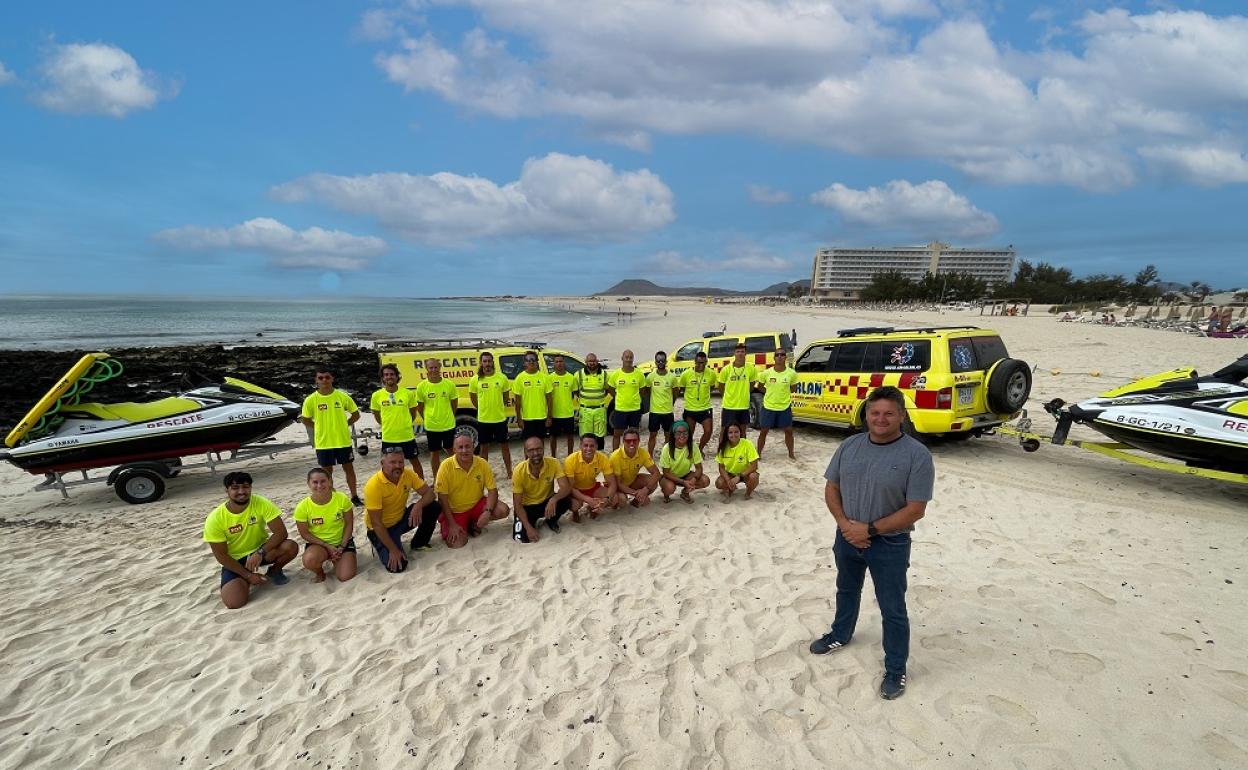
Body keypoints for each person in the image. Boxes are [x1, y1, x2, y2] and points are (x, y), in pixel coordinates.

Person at [809, 386, 934, 702]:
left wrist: (870, 529)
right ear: (866, 415)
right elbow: (831, 488)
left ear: (901, 416)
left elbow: (915, 509)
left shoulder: (916, 455)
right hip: (847, 535)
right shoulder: (849, 446)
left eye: (888, 413)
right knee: (846, 589)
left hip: (889, 543)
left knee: (892, 608)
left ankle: (895, 669)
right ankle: (840, 634)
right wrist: (845, 526)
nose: (880, 419)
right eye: (874, 412)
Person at [203, 472, 298, 609]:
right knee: (234, 602)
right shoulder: (215, 518)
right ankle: (245, 578)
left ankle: (274, 571)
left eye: (245, 487)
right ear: (227, 490)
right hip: (235, 559)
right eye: (235, 488)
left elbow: (281, 533)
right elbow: (221, 556)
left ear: (251, 488)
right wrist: (248, 576)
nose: (241, 491)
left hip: (261, 551)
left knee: (290, 546)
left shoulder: (261, 503)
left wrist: (260, 552)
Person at [363, 447, 442, 573]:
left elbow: (430, 494)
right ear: (382, 464)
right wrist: (393, 550)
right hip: (381, 529)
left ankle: (419, 543)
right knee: (399, 566)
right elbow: (376, 524)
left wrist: (418, 505)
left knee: (433, 506)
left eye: (400, 462)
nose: (398, 466)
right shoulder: (373, 485)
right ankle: (380, 544)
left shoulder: (408, 474)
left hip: (400, 519)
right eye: (393, 462)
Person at [299, 367, 363, 506]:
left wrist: (344, 424)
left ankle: (354, 496)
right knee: (326, 474)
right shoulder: (311, 400)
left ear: (332, 379)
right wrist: (319, 427)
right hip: (324, 442)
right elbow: (305, 419)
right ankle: (332, 497)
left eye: (327, 377)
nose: (324, 380)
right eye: (320, 378)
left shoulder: (342, 396)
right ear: (316, 380)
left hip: (343, 441)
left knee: (349, 469)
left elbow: (356, 414)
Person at [435, 432, 510, 548]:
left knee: (503, 510)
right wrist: (452, 525)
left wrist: (487, 512)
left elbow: (493, 491)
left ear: (473, 447)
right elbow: (442, 498)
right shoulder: (445, 466)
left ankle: (474, 524)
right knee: (457, 543)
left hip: (476, 505)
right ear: (454, 449)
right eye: (460, 447)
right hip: (455, 512)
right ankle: (466, 525)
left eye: (467, 446)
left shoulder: (482, 463)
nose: (464, 450)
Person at [293, 467, 357, 582]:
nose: (319, 485)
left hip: (342, 542)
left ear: (330, 481)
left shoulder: (341, 498)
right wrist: (327, 546)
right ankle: (320, 573)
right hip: (319, 545)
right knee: (310, 559)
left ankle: (338, 559)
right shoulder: (302, 507)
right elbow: (305, 534)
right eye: (315, 482)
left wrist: (342, 546)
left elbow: (349, 524)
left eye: (323, 481)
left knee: (345, 576)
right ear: (309, 484)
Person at [511, 436, 573, 543]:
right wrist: (528, 528)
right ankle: (531, 523)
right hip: (527, 507)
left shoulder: (553, 463)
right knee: (520, 539)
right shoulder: (518, 471)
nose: (535, 453)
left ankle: (550, 521)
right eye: (531, 450)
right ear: (526, 452)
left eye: (538, 449)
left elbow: (566, 487)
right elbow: (517, 505)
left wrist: (554, 499)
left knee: (566, 499)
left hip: (547, 503)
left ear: (543, 448)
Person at [369, 363, 424, 480]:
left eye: (392, 374)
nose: (389, 377)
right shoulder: (376, 395)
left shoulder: (407, 393)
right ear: (383, 378)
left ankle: (422, 486)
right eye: (386, 375)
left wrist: (405, 423)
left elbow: (413, 413)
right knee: (387, 466)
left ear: (397, 376)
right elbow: (377, 415)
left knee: (416, 463)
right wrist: (387, 425)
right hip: (389, 437)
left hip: (407, 436)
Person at [469, 351, 513, 476]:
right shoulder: (475, 379)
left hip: (500, 419)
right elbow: (473, 398)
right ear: (481, 363)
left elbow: (505, 396)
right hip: (484, 420)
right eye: (484, 361)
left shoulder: (502, 378)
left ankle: (509, 471)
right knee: (484, 448)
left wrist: (498, 406)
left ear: (493, 362)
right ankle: (484, 472)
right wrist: (482, 408)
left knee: (505, 447)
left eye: (489, 361)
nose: (487, 364)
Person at [564, 433, 619, 520]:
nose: (588, 449)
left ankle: (592, 508)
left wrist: (606, 499)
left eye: (592, 446)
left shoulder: (603, 458)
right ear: (580, 446)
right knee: (575, 505)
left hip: (593, 487)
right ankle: (575, 512)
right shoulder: (570, 460)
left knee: (615, 498)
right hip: (576, 490)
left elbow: (612, 483)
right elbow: (570, 487)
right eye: (585, 445)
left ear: (596, 446)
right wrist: (587, 499)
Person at [416, 358, 459, 469]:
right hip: (432, 426)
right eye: (431, 368)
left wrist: (449, 415)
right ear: (427, 369)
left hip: (448, 425)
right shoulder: (421, 386)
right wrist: (428, 418)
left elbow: (454, 404)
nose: (433, 370)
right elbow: (420, 407)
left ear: (440, 368)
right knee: (434, 453)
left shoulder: (449, 384)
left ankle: (455, 474)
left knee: (451, 450)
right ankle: (436, 479)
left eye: (436, 367)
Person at [756, 348, 799, 459]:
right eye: (777, 355)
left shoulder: (792, 373)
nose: (780, 357)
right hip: (769, 407)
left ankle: (791, 454)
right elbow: (760, 387)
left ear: (785, 357)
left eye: (782, 354)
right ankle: (758, 454)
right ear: (774, 357)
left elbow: (793, 389)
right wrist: (770, 392)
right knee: (763, 431)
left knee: (788, 431)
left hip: (784, 407)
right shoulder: (766, 373)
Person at [657, 421, 709, 503]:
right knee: (669, 488)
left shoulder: (692, 446)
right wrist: (683, 482)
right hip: (670, 477)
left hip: (686, 474)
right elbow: (666, 472)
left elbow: (699, 468)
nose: (682, 435)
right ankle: (666, 495)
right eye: (679, 433)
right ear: (674, 435)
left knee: (705, 480)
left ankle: (685, 493)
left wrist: (694, 480)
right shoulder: (667, 448)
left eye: (685, 433)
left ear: (689, 434)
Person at [610, 427, 660, 508]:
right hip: (617, 486)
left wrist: (645, 490)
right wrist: (637, 493)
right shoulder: (615, 456)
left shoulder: (642, 453)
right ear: (623, 442)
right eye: (628, 441)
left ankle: (636, 501)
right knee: (622, 501)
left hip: (632, 482)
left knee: (653, 482)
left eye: (634, 440)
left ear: (639, 441)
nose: (632, 443)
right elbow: (618, 484)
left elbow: (656, 473)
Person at [608, 349, 647, 450]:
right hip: (620, 409)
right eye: (627, 357)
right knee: (617, 434)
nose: (629, 360)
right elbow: (610, 388)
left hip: (635, 409)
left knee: (634, 435)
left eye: (631, 357)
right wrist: (617, 396)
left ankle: (633, 452)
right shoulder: (616, 374)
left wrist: (634, 398)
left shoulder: (639, 374)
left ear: (633, 359)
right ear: (622, 358)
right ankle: (615, 454)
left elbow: (642, 391)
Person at [677, 351, 715, 453]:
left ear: (706, 362)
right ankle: (689, 451)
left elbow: (711, 387)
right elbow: (682, 388)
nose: (700, 365)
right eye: (698, 362)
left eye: (703, 363)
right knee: (689, 433)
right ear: (694, 362)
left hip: (705, 408)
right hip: (690, 409)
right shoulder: (686, 374)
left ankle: (700, 449)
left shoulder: (711, 374)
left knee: (708, 431)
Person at [717, 343, 757, 439]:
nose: (740, 354)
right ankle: (721, 452)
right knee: (725, 430)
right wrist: (728, 396)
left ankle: (741, 452)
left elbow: (752, 384)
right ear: (734, 353)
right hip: (729, 406)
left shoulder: (751, 368)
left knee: (742, 431)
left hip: (743, 406)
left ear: (745, 353)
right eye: (738, 351)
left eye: (742, 351)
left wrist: (745, 394)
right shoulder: (726, 369)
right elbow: (721, 386)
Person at [512, 351, 552, 442]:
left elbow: (549, 400)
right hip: (527, 418)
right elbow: (517, 402)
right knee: (528, 443)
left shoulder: (544, 378)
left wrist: (549, 417)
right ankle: (527, 458)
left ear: (537, 362)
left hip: (541, 417)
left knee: (540, 442)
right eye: (528, 360)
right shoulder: (519, 378)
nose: (531, 362)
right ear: (524, 363)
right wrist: (519, 419)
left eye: (533, 360)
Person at [715, 423, 759, 499]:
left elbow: (754, 465)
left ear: (740, 433)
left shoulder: (747, 443)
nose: (733, 435)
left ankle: (748, 492)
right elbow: (721, 467)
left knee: (754, 477)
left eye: (736, 432)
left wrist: (739, 476)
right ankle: (730, 488)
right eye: (730, 432)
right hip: (730, 474)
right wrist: (728, 480)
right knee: (719, 483)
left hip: (746, 473)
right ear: (727, 434)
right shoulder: (723, 446)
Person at [646, 351, 677, 457]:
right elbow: (647, 391)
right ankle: (649, 456)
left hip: (668, 411)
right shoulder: (650, 377)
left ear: (666, 361)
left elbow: (675, 393)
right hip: (654, 412)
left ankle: (667, 455)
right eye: (658, 360)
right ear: (655, 362)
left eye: (662, 360)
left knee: (668, 435)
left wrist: (670, 403)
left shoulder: (672, 377)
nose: (660, 362)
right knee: (652, 435)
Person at [576, 353, 610, 450]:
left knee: (600, 436)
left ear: (597, 361)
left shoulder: (604, 374)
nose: (592, 363)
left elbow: (607, 389)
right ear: (586, 362)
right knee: (585, 437)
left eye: (594, 361)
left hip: (599, 410)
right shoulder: (578, 374)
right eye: (590, 361)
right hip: (585, 411)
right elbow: (575, 391)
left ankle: (600, 456)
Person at [547, 353, 579, 457]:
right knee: (553, 437)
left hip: (568, 413)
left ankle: (570, 456)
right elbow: (548, 397)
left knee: (570, 437)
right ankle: (553, 457)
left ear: (564, 363)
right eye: (556, 362)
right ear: (553, 364)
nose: (559, 364)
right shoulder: (549, 378)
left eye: (561, 361)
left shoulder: (571, 378)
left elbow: (575, 394)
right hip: (555, 414)